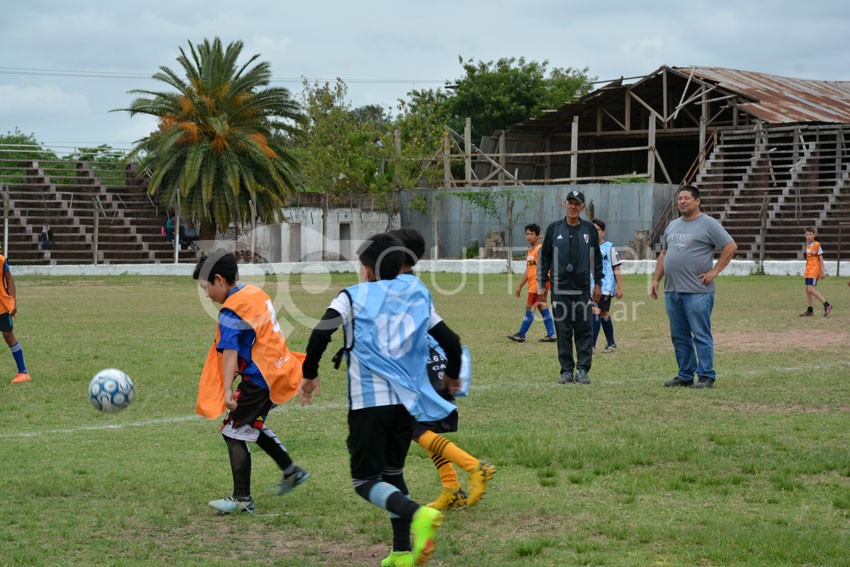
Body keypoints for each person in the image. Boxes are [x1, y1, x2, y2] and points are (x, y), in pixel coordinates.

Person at [300, 232, 459, 567]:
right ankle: (401, 551)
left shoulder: (352, 296)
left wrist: (309, 373)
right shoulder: (417, 293)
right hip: (405, 407)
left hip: (368, 404)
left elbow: (320, 332)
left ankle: (418, 514)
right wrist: (452, 375)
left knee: (364, 481)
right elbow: (450, 340)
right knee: (393, 474)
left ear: (369, 268)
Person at [193, 251, 309, 515]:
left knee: (232, 431)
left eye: (206, 287)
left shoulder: (230, 309)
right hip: (280, 370)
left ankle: (242, 498)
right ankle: (291, 471)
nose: (208, 295)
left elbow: (230, 352)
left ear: (219, 280)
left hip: (260, 380)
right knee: (252, 426)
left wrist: (226, 391)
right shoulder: (256, 293)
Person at [390, 228, 495, 513]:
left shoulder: (402, 286)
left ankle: (475, 467)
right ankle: (451, 487)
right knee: (423, 428)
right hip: (417, 363)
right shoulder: (404, 283)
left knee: (414, 428)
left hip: (414, 367)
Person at [650, 185, 737, 389]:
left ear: (697, 201)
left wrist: (714, 271)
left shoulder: (708, 224)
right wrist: (655, 280)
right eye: (680, 198)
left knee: (700, 334)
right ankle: (685, 374)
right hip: (672, 291)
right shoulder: (672, 225)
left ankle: (706, 375)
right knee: (679, 336)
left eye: (687, 198)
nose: (682, 201)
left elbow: (730, 246)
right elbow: (664, 254)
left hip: (697, 291)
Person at [538, 190, 603, 385]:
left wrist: (598, 282)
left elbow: (596, 258)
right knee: (563, 329)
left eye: (577, 203)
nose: (573, 206)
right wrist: (542, 283)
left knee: (584, 329)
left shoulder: (589, 230)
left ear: (582, 207)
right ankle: (566, 370)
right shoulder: (554, 229)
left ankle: (582, 370)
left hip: (582, 288)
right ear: (565, 204)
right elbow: (545, 258)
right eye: (570, 202)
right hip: (560, 288)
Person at [506, 223, 557, 343]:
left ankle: (521, 334)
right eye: (527, 234)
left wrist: (543, 283)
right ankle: (552, 334)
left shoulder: (540, 249)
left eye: (532, 234)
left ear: (537, 236)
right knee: (541, 306)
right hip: (533, 284)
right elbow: (528, 271)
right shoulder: (529, 251)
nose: (529, 236)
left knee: (530, 307)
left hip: (538, 284)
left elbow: (546, 267)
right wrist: (519, 286)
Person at [590, 219, 624, 353]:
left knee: (595, 312)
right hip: (591, 286)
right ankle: (611, 344)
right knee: (604, 314)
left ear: (603, 232)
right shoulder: (587, 248)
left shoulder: (609, 247)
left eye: (597, 230)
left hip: (605, 286)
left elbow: (616, 267)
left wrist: (620, 287)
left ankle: (591, 346)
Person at [1, 252, 32, 384]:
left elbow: (10, 279)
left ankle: (23, 372)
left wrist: (12, 301)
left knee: (9, 336)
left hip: (1, 306)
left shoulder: (1, 260)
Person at [800, 227, 832, 317]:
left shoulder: (817, 245)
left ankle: (827, 305)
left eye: (810, 234)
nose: (808, 236)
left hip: (815, 268)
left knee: (810, 289)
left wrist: (822, 271)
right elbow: (808, 258)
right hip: (808, 268)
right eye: (807, 234)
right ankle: (810, 310)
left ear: (814, 235)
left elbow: (821, 259)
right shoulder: (807, 245)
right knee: (807, 289)